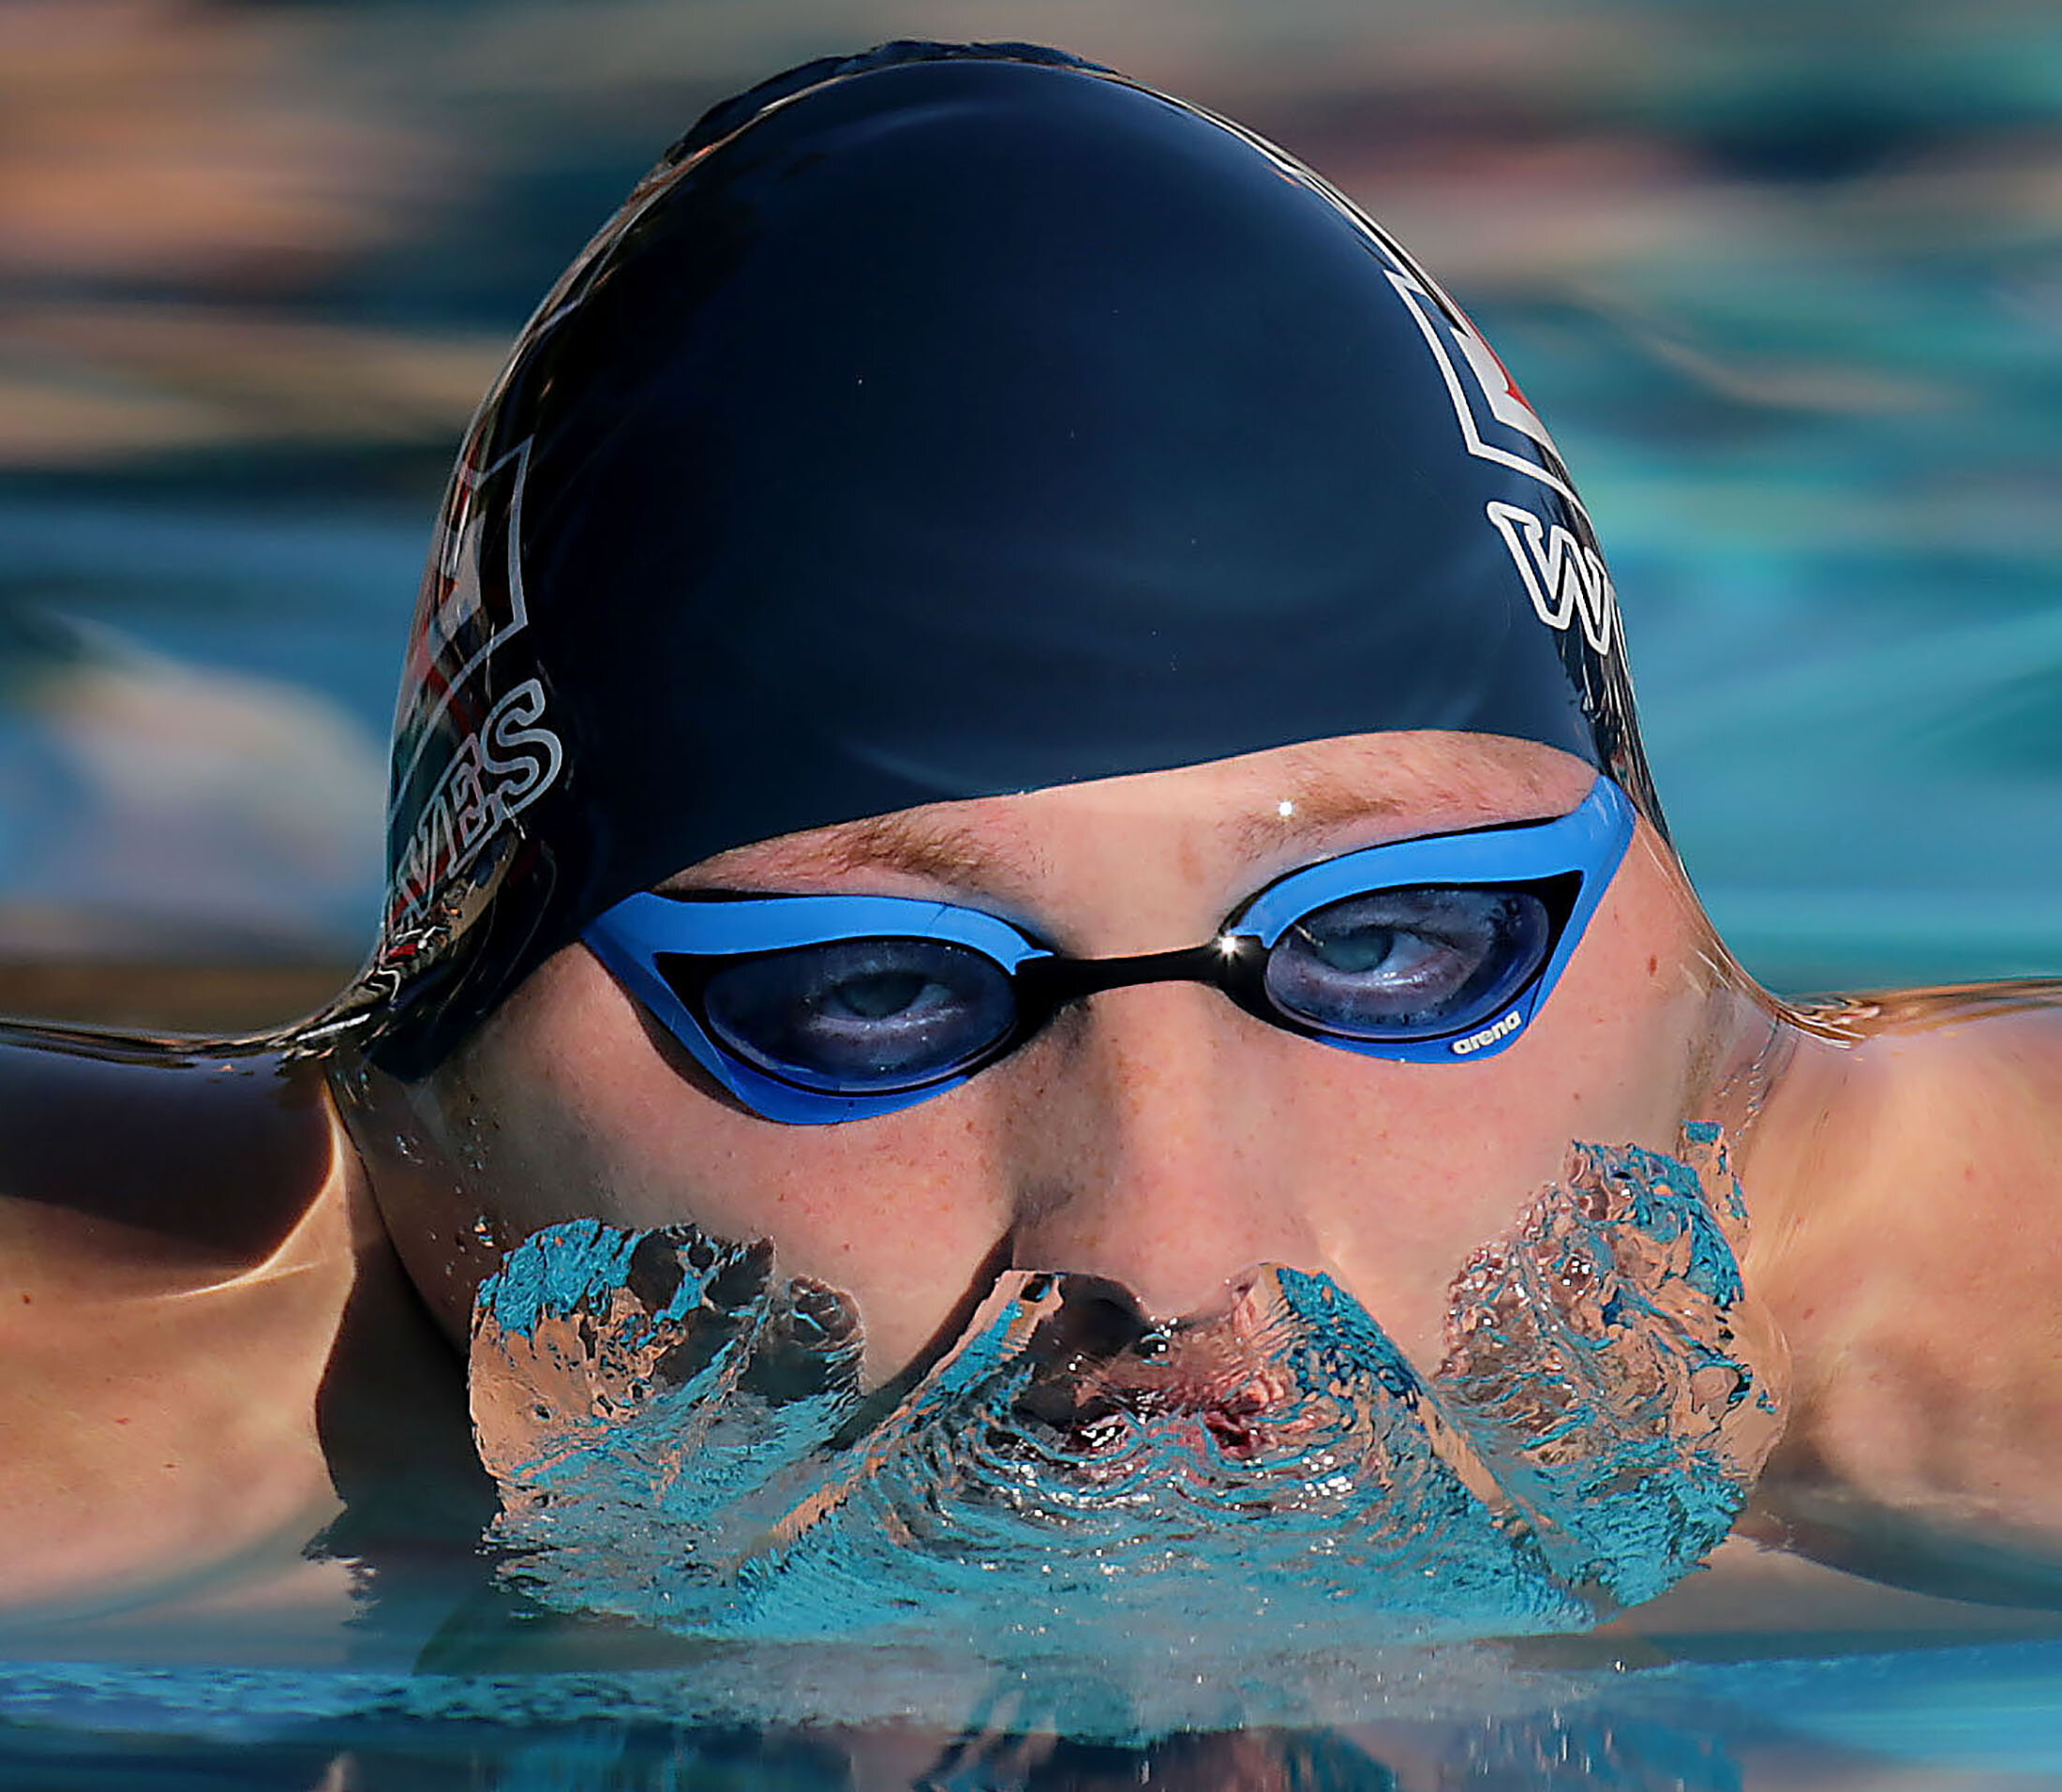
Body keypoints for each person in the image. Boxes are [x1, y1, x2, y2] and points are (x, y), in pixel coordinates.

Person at [1, 40, 2057, 1661]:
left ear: (1677, 970)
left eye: (1395, 943)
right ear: (442, 1081)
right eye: (867, 989)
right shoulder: (108, 1435)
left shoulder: (1981, 1359)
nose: (1168, 1258)